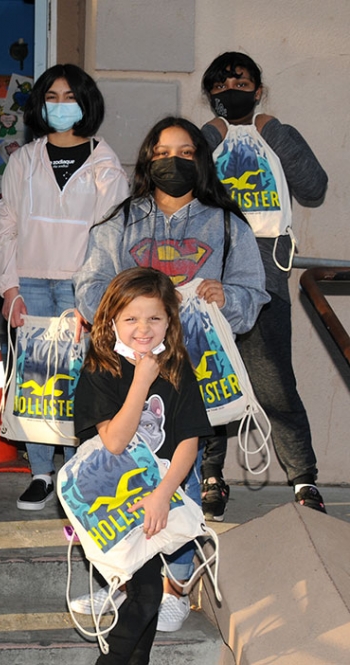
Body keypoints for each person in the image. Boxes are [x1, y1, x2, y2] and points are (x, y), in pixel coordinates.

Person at [72, 116, 269, 633]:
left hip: (194, 370)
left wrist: (232, 298)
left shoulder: (228, 223)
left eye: (185, 151)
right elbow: (91, 284)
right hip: (125, 368)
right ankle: (113, 573)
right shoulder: (122, 220)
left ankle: (176, 580)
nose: (172, 160)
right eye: (162, 151)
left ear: (200, 160)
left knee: (178, 464)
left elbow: (254, 292)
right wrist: (120, 312)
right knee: (114, 470)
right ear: (147, 159)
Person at [0, 63, 129, 511]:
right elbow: (6, 223)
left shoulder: (106, 165)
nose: (61, 105)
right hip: (29, 280)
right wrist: (9, 288)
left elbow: (111, 234)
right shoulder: (23, 159)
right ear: (39, 104)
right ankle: (40, 473)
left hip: (81, 287)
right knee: (36, 379)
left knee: (79, 379)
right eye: (52, 96)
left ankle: (76, 469)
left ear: (87, 103)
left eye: (71, 97)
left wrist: (97, 296)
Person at [199, 52, 329, 518]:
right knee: (210, 377)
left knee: (274, 381)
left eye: (240, 80)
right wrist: (213, 132)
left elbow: (314, 188)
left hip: (269, 268)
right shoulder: (202, 139)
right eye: (220, 83)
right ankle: (211, 475)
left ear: (258, 88)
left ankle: (304, 480)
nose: (230, 87)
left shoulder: (277, 134)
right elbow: (178, 178)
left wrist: (271, 128)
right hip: (212, 270)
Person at [73, 267, 212, 665]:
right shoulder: (101, 368)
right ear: (112, 320)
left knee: (146, 601)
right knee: (147, 594)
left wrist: (164, 494)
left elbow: (189, 440)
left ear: (170, 320)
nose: (143, 328)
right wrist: (140, 381)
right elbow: (114, 441)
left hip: (158, 497)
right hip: (114, 500)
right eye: (131, 318)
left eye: (154, 318)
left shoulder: (177, 365)